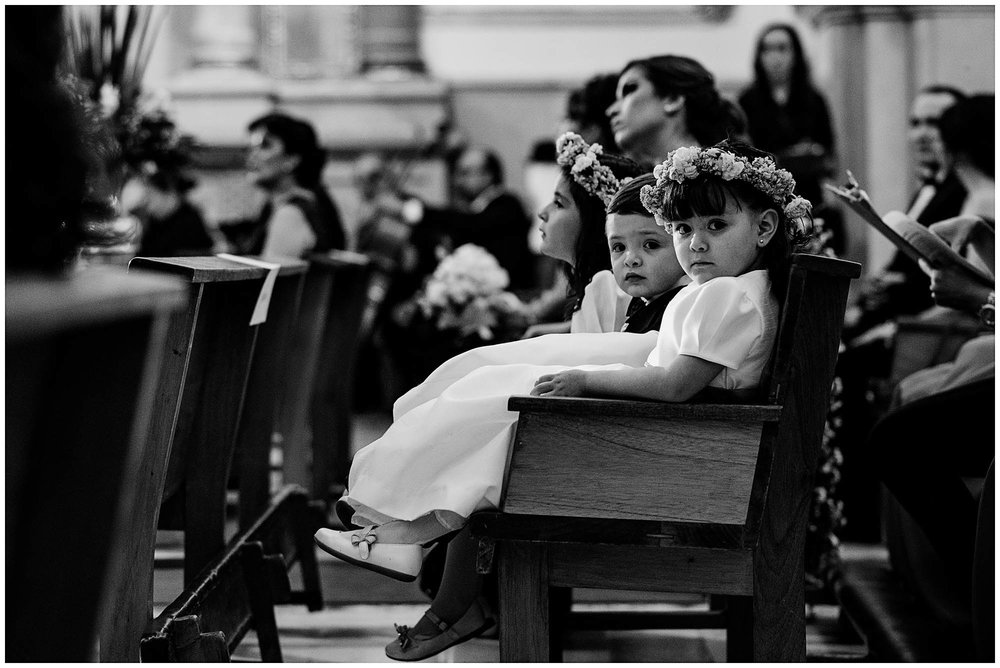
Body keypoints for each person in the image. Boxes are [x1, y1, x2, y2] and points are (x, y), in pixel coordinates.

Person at [315, 141, 814, 660]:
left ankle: (407, 533)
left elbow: (675, 385)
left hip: (678, 457)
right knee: (494, 381)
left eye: (716, 226)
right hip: (679, 444)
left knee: (503, 407)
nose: (697, 244)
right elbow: (665, 359)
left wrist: (585, 379)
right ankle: (407, 534)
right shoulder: (737, 287)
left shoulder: (727, 295)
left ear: (765, 228)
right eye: (685, 229)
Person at [738, 23, 835, 207]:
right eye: (767, 49)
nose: (775, 57)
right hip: (763, 193)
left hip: (808, 191)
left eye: (782, 48)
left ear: (795, 54)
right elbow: (742, 150)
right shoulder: (747, 100)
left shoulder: (814, 98)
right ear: (759, 56)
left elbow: (828, 147)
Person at [606, 55, 744, 169]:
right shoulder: (636, 182)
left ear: (672, 99)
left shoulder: (718, 179)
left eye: (630, 89)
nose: (611, 110)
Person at [243, 112, 346, 257]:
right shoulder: (275, 205)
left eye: (265, 146)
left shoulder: (291, 213)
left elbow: (272, 278)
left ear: (292, 159)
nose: (252, 156)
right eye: (250, 147)